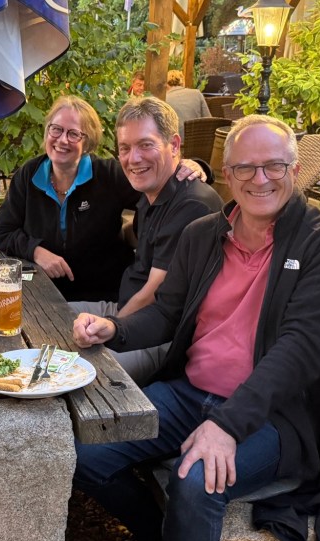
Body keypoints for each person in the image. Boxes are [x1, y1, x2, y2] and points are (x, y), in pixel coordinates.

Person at [70, 115, 320, 541]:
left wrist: (227, 425)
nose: (260, 179)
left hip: (272, 415)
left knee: (198, 480)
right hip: (190, 395)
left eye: (274, 166)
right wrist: (116, 329)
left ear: (295, 170)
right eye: (245, 168)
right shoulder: (203, 235)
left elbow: (300, 349)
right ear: (228, 173)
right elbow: (167, 313)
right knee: (86, 455)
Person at [0, 95, 204, 303]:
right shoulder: (29, 175)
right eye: (56, 129)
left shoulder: (108, 175)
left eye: (74, 134)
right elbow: (3, 231)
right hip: (42, 294)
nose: (62, 140)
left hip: (103, 295)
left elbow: (159, 187)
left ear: (88, 142)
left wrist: (197, 166)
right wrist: (36, 252)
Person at [69, 97, 223, 384]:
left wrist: (111, 327)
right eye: (125, 148)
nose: (134, 158)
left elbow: (153, 294)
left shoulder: (190, 205)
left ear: (174, 145)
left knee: (77, 373)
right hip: (125, 311)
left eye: (145, 144)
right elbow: (136, 235)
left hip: (159, 336)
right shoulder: (153, 191)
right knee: (50, 315)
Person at [165, 69, 211, 137]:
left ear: (166, 84)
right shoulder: (197, 93)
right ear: (182, 82)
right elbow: (209, 120)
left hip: (175, 141)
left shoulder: (164, 99)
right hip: (198, 139)